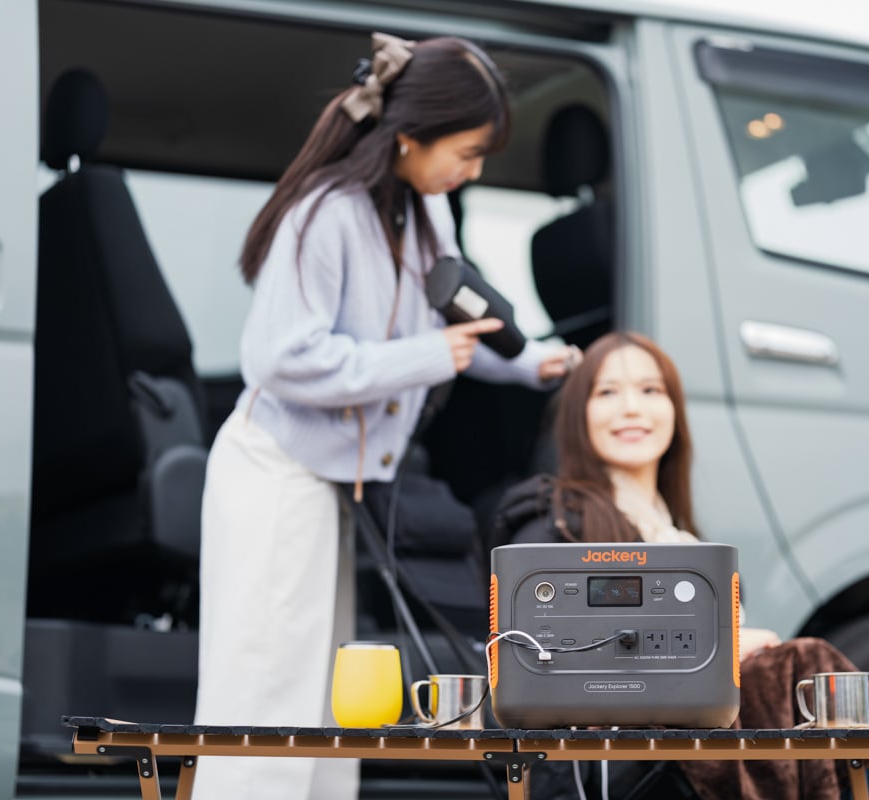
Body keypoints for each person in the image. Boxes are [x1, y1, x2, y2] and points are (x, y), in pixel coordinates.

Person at [193, 33, 576, 800]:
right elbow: (281, 359)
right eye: (467, 153)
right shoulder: (325, 214)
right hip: (276, 477)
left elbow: (453, 330)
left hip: (326, 484)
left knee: (327, 707)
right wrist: (426, 356)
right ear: (412, 135)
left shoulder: (425, 211)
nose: (472, 171)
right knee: (267, 699)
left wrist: (532, 361)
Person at [492, 332, 869, 800]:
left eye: (650, 390)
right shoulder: (554, 520)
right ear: (578, 414)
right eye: (607, 392)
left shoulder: (686, 540)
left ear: (674, 410)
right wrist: (722, 649)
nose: (631, 408)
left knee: (820, 696)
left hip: (704, 749)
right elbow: (537, 655)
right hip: (621, 758)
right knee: (808, 665)